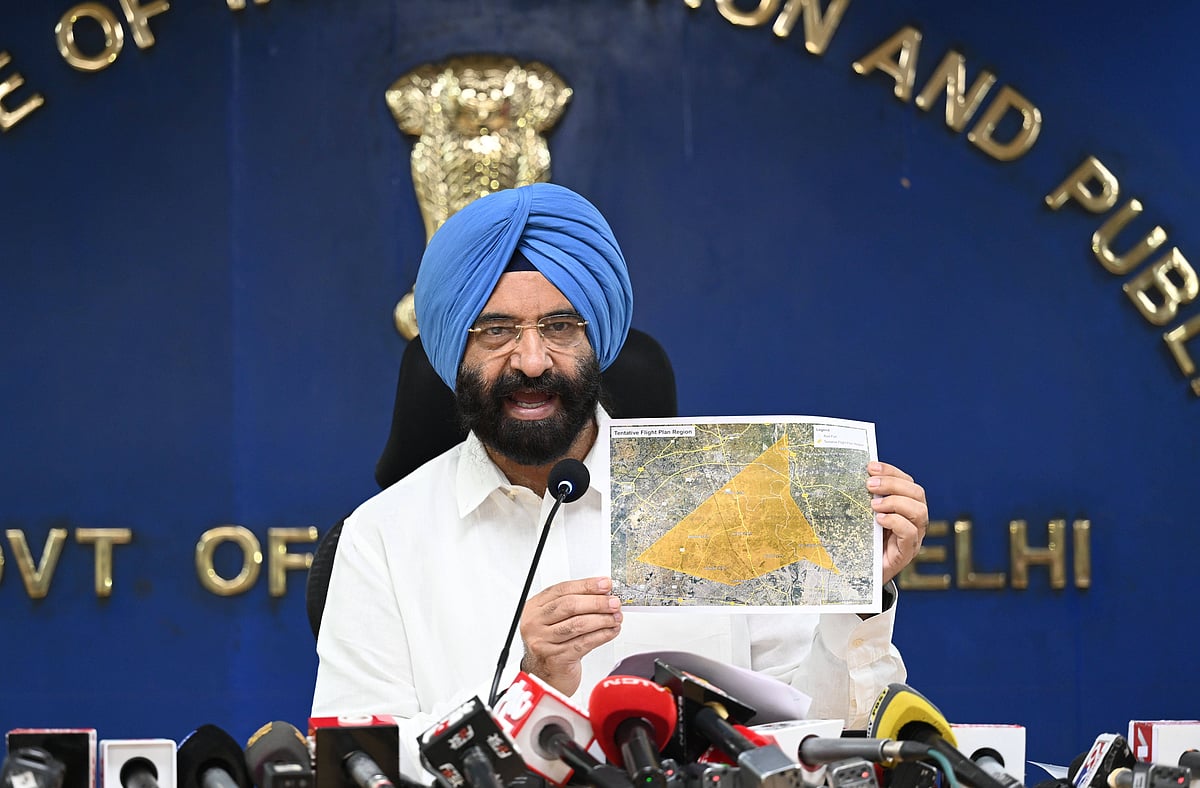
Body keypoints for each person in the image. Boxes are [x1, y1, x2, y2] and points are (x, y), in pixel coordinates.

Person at [311, 183, 928, 780]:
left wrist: (858, 595)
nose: (531, 361)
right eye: (495, 331)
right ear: (454, 352)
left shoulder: (724, 496)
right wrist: (532, 691)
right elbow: (362, 764)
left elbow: (814, 734)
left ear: (597, 341)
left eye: (559, 327)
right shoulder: (380, 540)